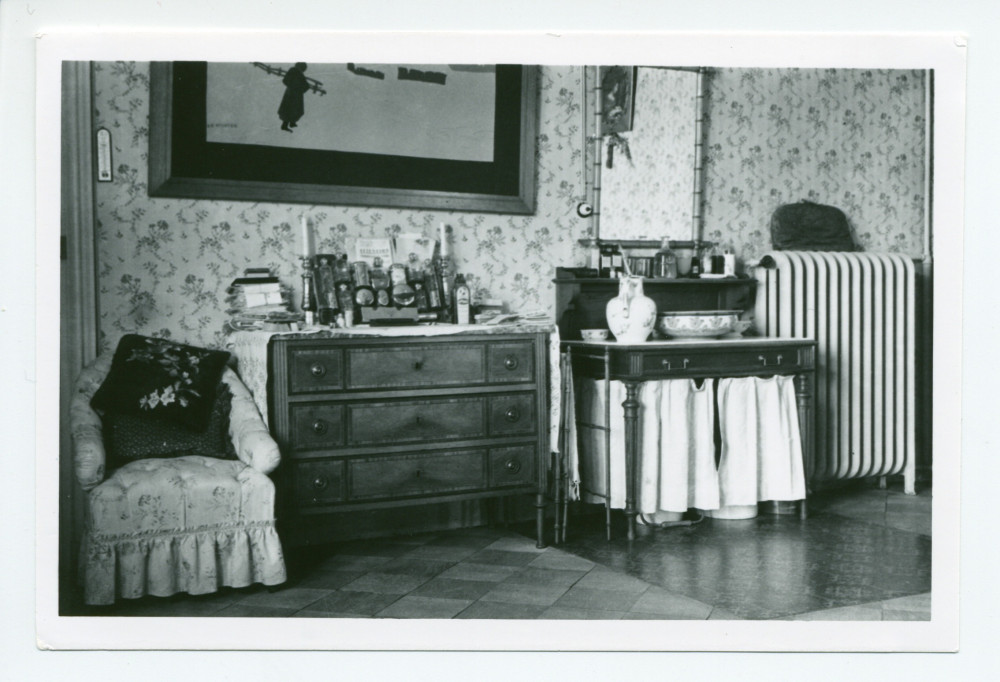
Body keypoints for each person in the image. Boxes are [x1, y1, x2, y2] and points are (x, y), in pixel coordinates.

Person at [278, 62, 310, 132]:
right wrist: (294, 86)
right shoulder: (294, 71)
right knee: (290, 109)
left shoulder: (298, 72)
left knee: (293, 109)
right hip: (292, 94)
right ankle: (285, 125)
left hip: (295, 94)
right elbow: (286, 80)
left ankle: (292, 123)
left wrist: (301, 88)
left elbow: (305, 84)